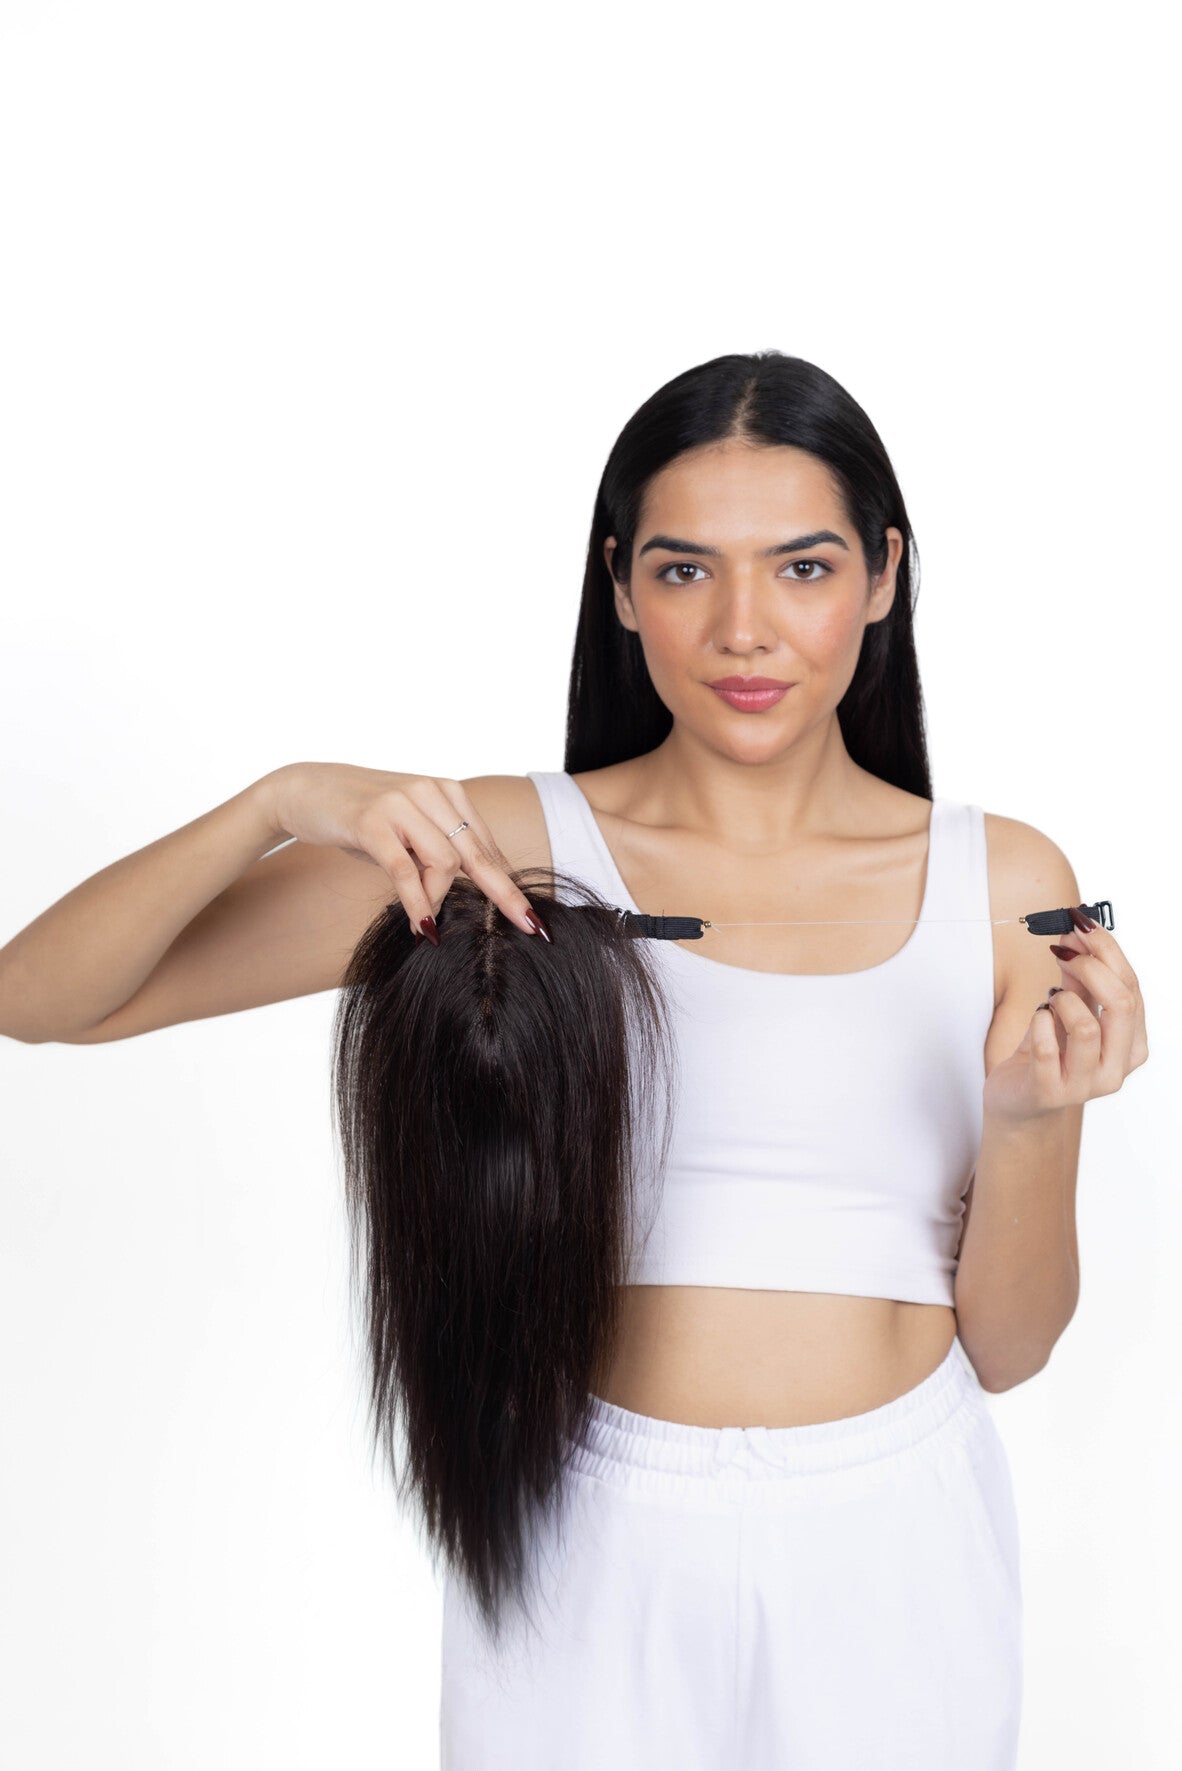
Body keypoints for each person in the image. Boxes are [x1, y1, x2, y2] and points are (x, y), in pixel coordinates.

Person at [0, 351, 1149, 1770]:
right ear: (618, 586)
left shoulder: (1006, 881)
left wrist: (1029, 1122)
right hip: (588, 1523)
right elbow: (41, 999)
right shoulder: (500, 852)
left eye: (801, 567)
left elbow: (1012, 1348)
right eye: (684, 571)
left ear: (882, 575)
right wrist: (277, 803)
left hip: (894, 1528)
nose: (743, 629)